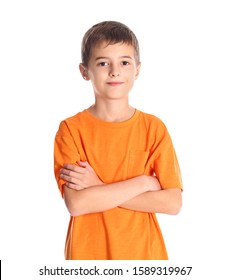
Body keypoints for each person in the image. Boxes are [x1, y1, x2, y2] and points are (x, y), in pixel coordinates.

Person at [54, 20, 183, 260]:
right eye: (103, 63)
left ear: (137, 69)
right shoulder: (71, 130)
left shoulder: (153, 128)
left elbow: (172, 203)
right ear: (84, 71)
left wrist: (97, 188)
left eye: (124, 62)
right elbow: (78, 204)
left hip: (145, 258)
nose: (115, 71)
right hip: (88, 257)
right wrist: (144, 182)